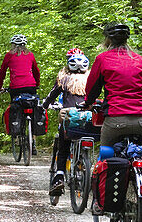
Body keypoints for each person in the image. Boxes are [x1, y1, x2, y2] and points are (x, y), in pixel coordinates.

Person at [82, 23, 142, 147]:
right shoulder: (138, 59)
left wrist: (88, 102)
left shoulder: (102, 59)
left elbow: (93, 87)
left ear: (108, 40)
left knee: (106, 159)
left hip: (115, 118)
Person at [43, 49, 100, 195]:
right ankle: (93, 177)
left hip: (69, 117)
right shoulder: (92, 79)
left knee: (63, 149)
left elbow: (52, 96)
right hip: (89, 119)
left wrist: (44, 105)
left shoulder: (63, 79)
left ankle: (60, 176)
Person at [0, 33, 41, 154]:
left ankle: (16, 136)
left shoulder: (9, 56)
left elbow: (2, 72)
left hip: (15, 88)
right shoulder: (30, 55)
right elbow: (36, 71)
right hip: (31, 87)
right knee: (32, 109)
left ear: (13, 45)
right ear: (24, 45)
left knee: (15, 108)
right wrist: (37, 83)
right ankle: (33, 142)